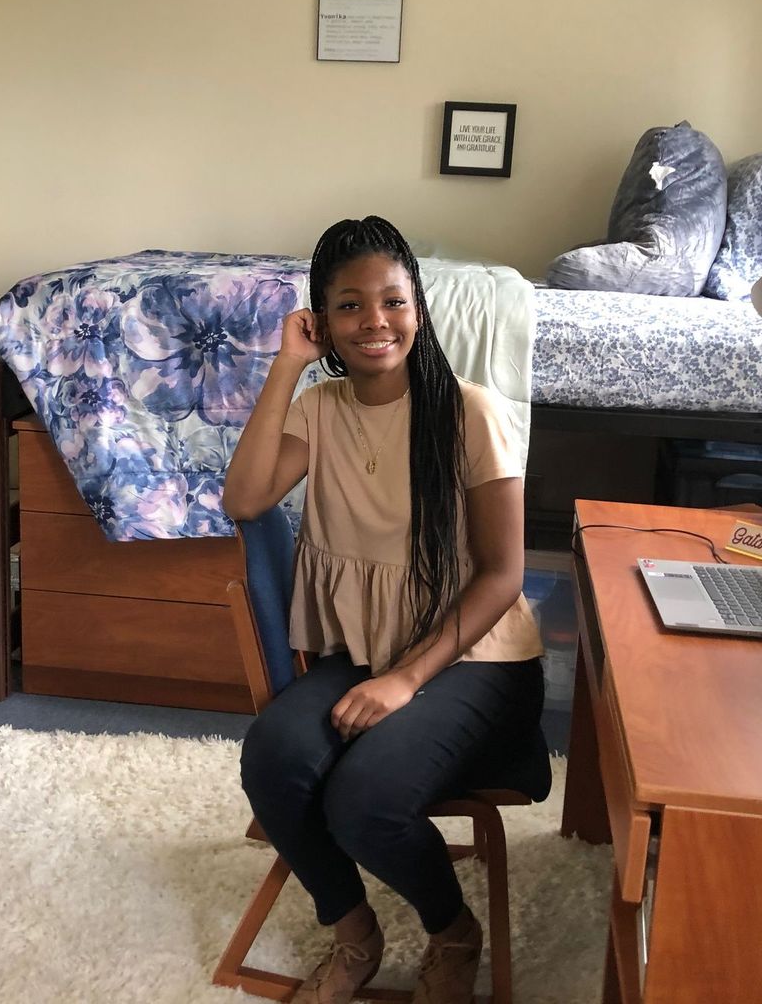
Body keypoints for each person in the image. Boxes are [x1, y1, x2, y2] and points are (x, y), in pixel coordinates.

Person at [222, 216, 545, 1004]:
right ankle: (354, 930)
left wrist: (405, 680)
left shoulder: (471, 412)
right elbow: (245, 497)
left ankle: (451, 929)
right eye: (349, 307)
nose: (375, 322)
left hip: (479, 657)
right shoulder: (321, 408)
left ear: (419, 311)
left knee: (364, 800)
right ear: (321, 323)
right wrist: (285, 368)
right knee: (272, 757)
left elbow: (503, 576)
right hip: (366, 649)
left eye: (393, 302)